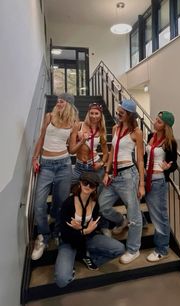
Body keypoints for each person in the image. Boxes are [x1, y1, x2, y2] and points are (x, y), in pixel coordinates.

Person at [54, 172, 125, 288]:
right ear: (80, 183)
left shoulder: (95, 205)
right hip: (69, 241)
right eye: (85, 183)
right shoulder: (68, 203)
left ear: (95, 188)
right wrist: (84, 231)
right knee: (62, 280)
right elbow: (65, 233)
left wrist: (84, 230)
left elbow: (94, 226)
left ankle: (88, 257)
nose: (87, 186)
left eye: (91, 185)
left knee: (120, 248)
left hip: (88, 239)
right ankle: (77, 258)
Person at [31, 93, 79, 260]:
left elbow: (72, 149)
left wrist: (82, 141)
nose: (59, 102)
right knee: (38, 204)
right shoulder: (49, 116)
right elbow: (42, 138)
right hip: (46, 166)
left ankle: (58, 232)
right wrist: (35, 157)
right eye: (58, 100)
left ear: (69, 105)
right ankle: (43, 236)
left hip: (64, 165)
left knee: (60, 204)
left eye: (63, 101)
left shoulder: (74, 124)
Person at [98, 99, 145, 264]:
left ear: (129, 115)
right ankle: (120, 220)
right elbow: (111, 152)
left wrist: (141, 184)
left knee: (134, 215)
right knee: (103, 205)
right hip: (115, 176)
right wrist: (107, 172)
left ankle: (133, 249)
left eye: (121, 113)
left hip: (128, 176)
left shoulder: (137, 132)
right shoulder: (115, 128)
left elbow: (140, 159)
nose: (117, 115)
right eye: (117, 112)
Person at [145, 111, 177, 262]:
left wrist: (167, 168)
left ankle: (162, 249)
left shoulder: (170, 142)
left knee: (159, 216)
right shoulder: (151, 136)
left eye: (158, 121)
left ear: (165, 126)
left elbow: (174, 164)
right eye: (155, 120)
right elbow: (146, 157)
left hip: (158, 180)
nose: (154, 122)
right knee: (152, 213)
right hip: (146, 177)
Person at [69, 102, 108, 186]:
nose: (94, 116)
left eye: (96, 113)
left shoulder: (101, 131)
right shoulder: (79, 126)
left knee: (95, 195)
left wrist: (101, 164)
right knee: (70, 188)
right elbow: (71, 151)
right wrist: (82, 141)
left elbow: (105, 153)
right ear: (88, 113)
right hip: (79, 167)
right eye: (91, 113)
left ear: (101, 115)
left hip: (95, 166)